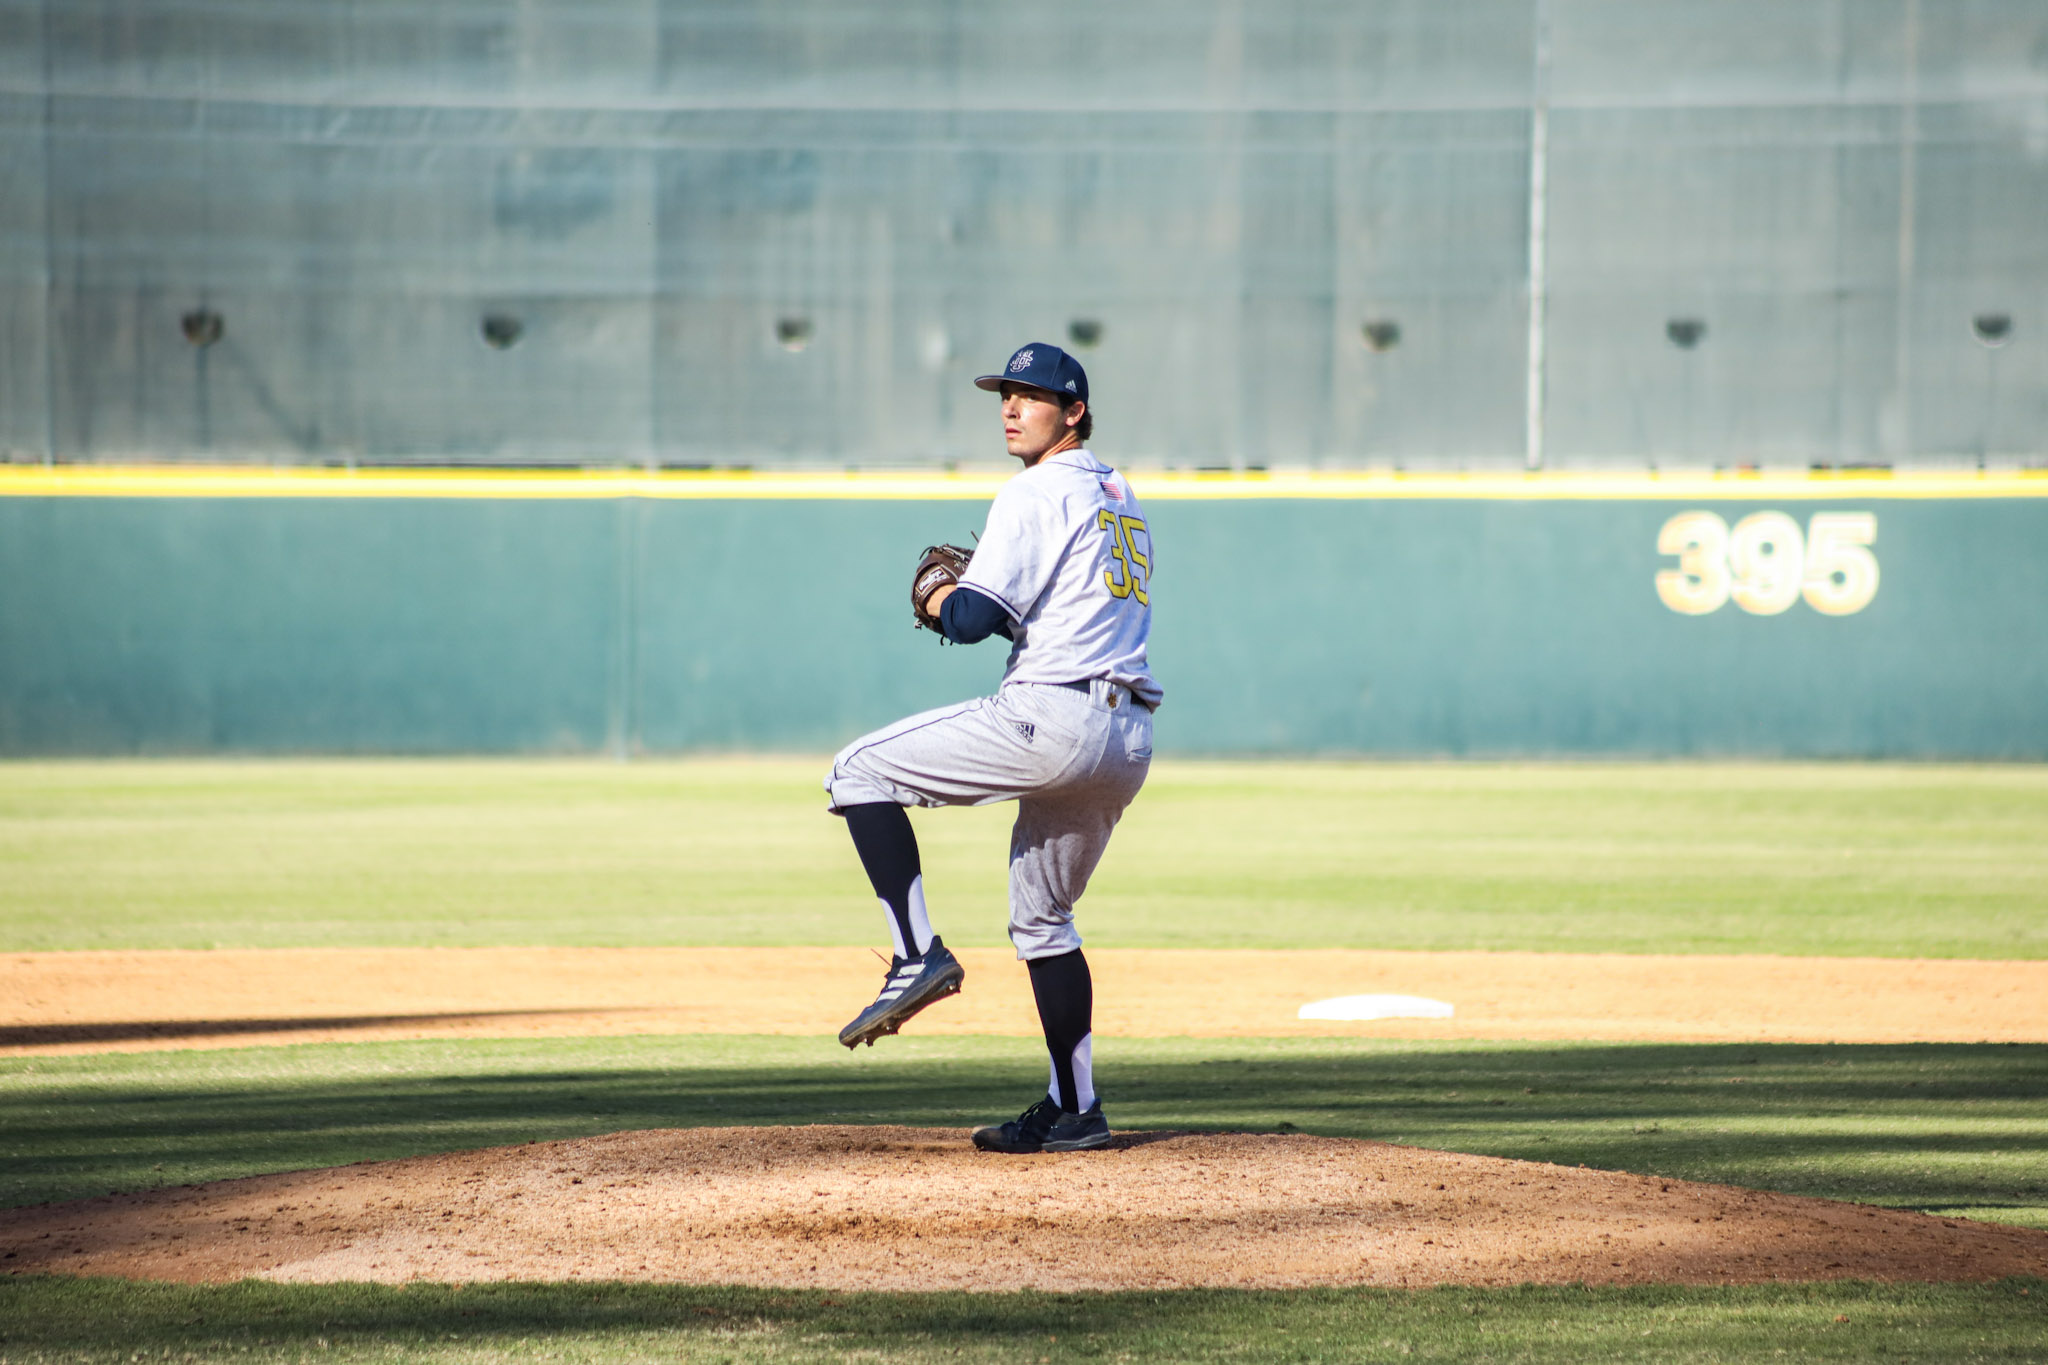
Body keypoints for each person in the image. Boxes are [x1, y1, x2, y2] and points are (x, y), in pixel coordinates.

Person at [822, 341, 1161, 1154]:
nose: (1011, 406)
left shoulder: (1033, 490)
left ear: (1072, 410)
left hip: (1051, 719)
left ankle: (915, 955)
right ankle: (1075, 1106)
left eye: (1031, 395)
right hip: (1128, 734)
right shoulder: (1118, 494)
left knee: (856, 770)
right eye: (1004, 394)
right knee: (1045, 921)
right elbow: (1046, 611)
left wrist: (940, 592)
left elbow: (972, 621)